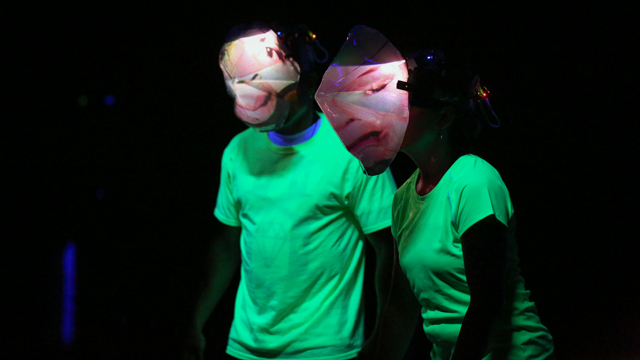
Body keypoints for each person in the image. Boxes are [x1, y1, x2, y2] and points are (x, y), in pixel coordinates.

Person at [318, 31, 555, 359]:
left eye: (403, 103)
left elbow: (487, 302)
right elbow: (400, 308)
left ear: (444, 116)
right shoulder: (403, 198)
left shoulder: (474, 181)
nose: (386, 114)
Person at [181, 23, 401, 360]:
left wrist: (383, 338)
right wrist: (195, 322)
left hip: (323, 350)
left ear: (310, 83)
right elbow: (226, 243)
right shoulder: (238, 150)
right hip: (246, 347)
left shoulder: (352, 149)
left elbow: (389, 249)